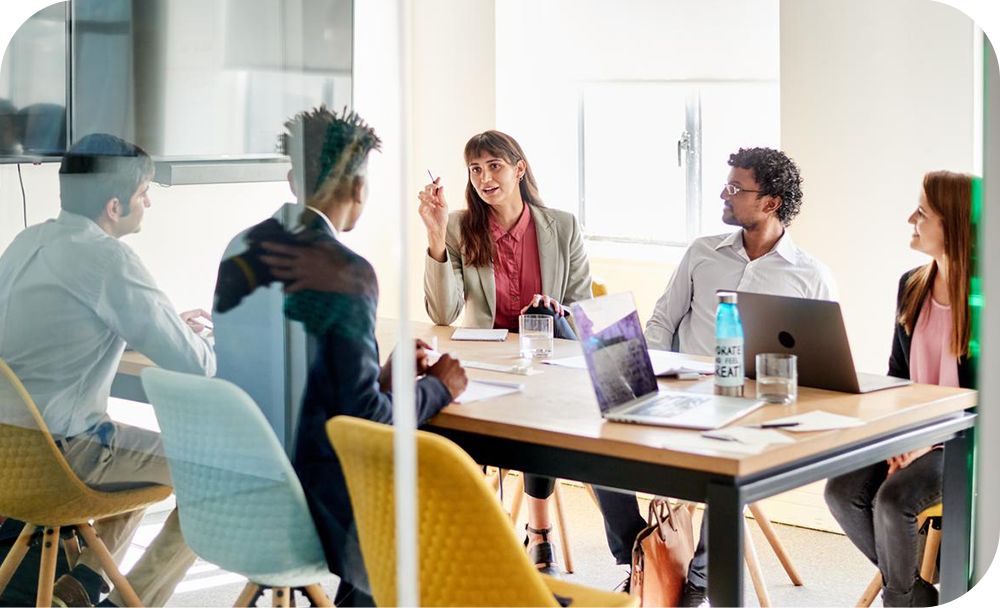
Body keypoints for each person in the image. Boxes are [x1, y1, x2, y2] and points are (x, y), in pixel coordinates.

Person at [222, 106, 468, 607]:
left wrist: (384, 377)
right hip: (316, 501)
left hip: (243, 488)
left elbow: (299, 380)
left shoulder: (241, 247)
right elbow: (365, 422)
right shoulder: (346, 270)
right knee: (446, 505)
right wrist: (439, 386)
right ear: (360, 190)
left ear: (293, 179)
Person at [596, 147, 837, 604]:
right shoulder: (702, 252)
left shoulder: (810, 276)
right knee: (594, 444)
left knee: (730, 471)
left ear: (771, 203)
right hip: (681, 391)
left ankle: (701, 583)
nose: (722, 195)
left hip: (751, 410)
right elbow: (662, 322)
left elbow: (818, 366)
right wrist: (644, 376)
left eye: (735, 188)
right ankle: (637, 554)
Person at [0, 133, 216, 607]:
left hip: (8, 458)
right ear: (115, 207)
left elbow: (51, 341)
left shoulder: (24, 243)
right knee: (215, 473)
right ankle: (124, 599)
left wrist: (149, 328)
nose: (149, 204)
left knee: (135, 449)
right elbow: (196, 365)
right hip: (64, 457)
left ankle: (81, 587)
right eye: (144, 194)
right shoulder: (108, 260)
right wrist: (201, 338)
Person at [418, 130, 592, 575]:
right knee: (452, 424)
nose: (484, 177)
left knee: (538, 416)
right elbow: (443, 313)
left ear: (519, 168)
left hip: (548, 361)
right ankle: (478, 535)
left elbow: (583, 310)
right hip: (486, 362)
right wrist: (436, 237)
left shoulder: (563, 226)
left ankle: (539, 537)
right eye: (475, 169)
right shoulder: (459, 226)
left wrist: (559, 310)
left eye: (494, 165)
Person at [824, 170, 977, 607]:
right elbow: (898, 376)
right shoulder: (912, 285)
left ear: (955, 223)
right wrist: (898, 434)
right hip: (914, 430)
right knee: (841, 490)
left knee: (894, 500)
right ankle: (914, 596)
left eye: (923, 212)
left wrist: (922, 439)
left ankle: (900, 599)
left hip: (963, 439)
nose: (912, 218)